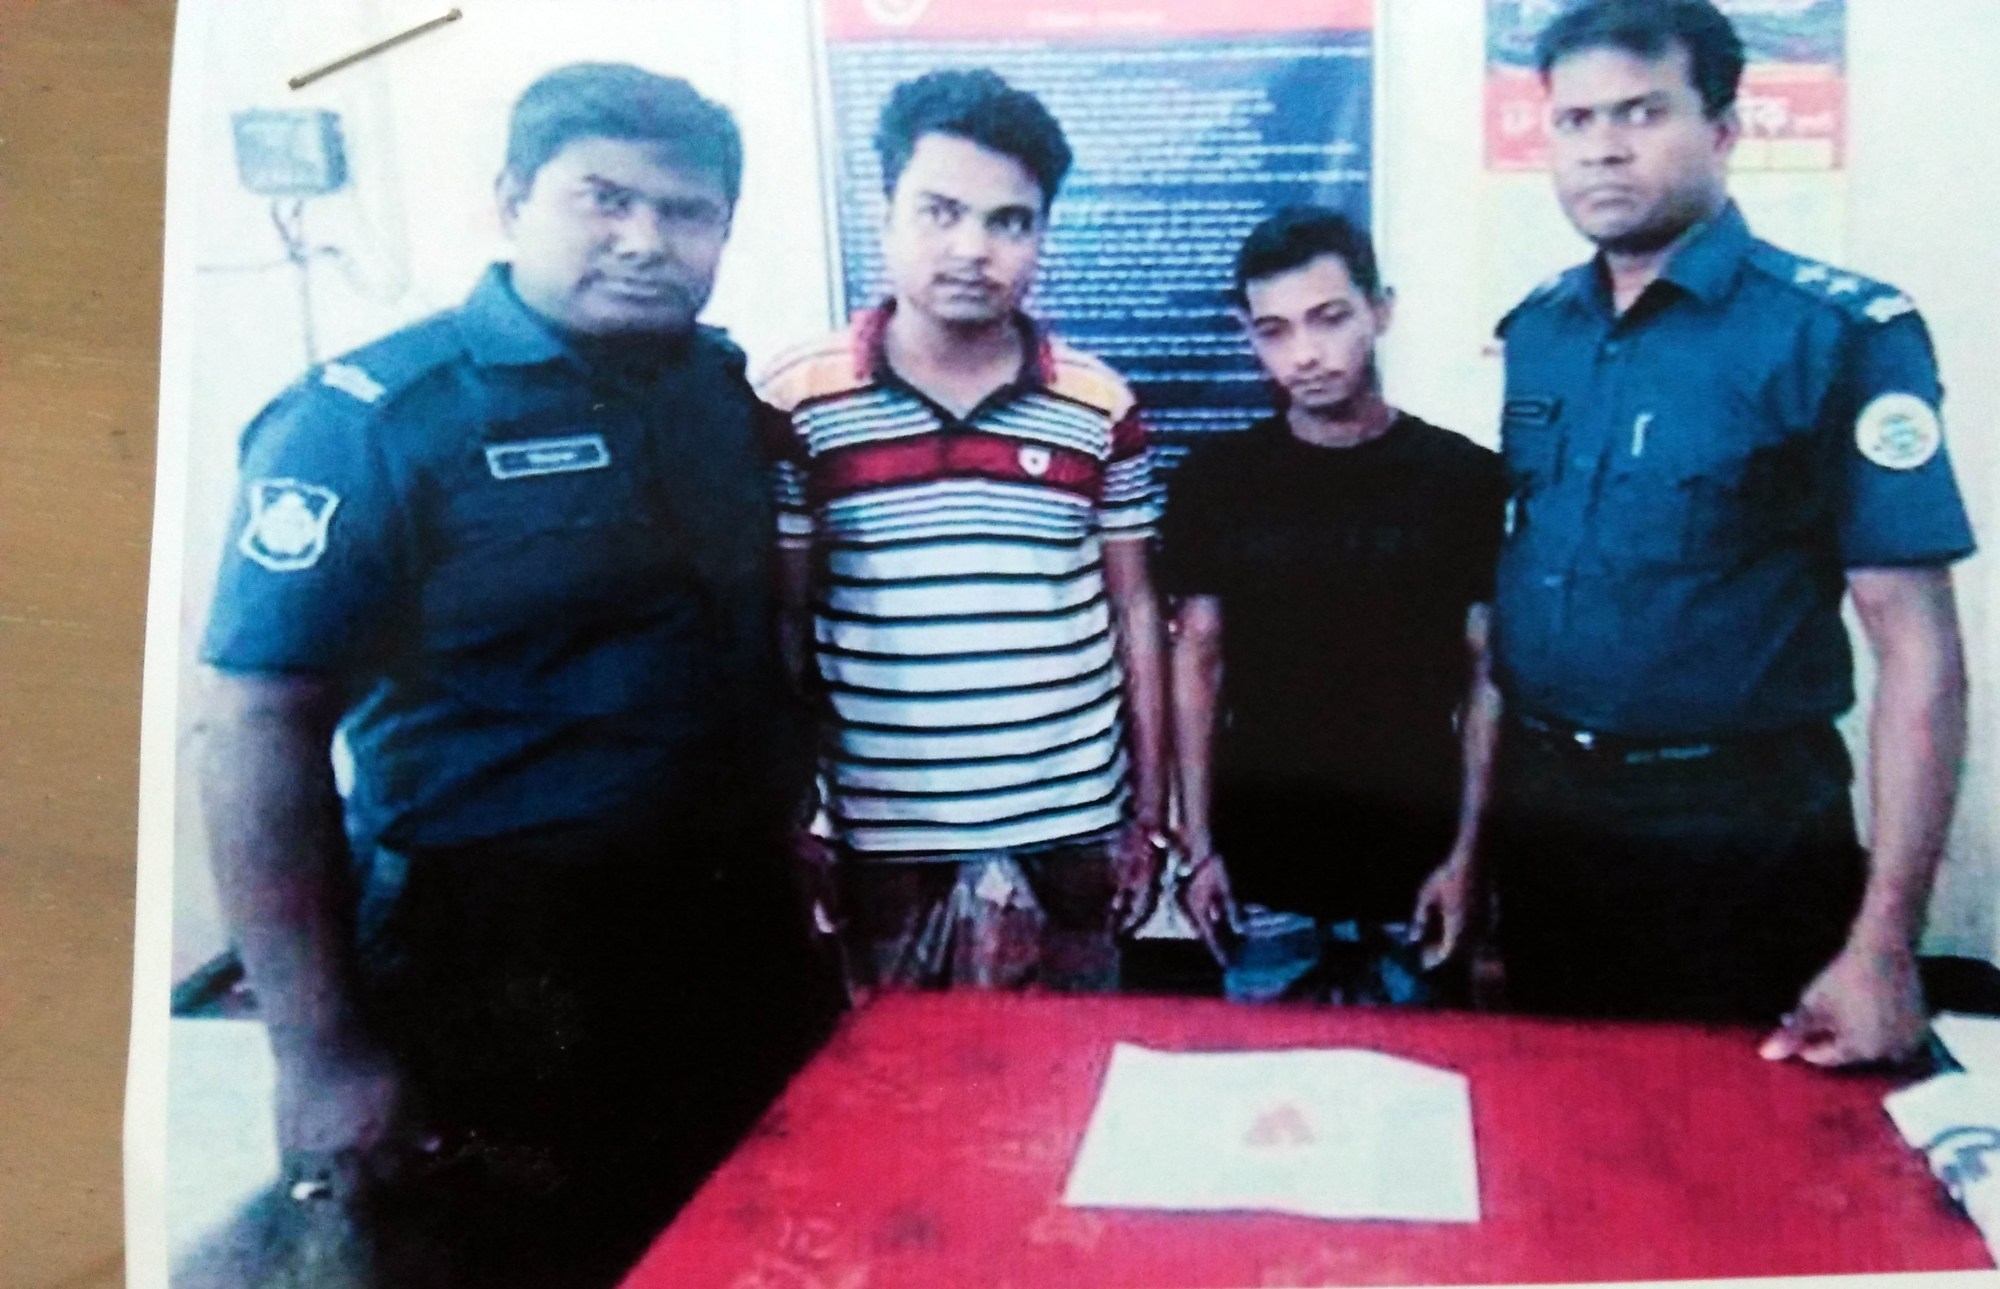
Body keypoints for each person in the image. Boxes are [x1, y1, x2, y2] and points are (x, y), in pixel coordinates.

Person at [190, 64, 837, 1288]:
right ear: (510, 199)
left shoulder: (714, 395)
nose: (644, 239)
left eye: (686, 211)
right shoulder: (373, 422)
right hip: (494, 964)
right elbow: (256, 724)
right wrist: (318, 1053)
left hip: (731, 937)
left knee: (742, 1240)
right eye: (604, 198)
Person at [1490, 0, 1974, 1064]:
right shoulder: (1540, 331)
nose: (1602, 146)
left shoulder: (1834, 334)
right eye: (1574, 120)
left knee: (1745, 1145)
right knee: (1553, 1123)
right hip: (1547, 822)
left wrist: (1885, 942)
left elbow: (1918, 650)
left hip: (1737, 837)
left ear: (1720, 129)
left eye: (1640, 112)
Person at [756, 69, 1169, 992]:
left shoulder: (1098, 403)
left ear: (1043, 232)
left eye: (1009, 221)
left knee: (1075, 1066)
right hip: (884, 834)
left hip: (1073, 825)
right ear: (885, 211)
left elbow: (1137, 609)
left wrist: (1150, 814)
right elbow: (783, 623)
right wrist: (798, 814)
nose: (972, 249)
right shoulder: (798, 400)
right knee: (903, 1068)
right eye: (940, 212)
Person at [1159, 207, 1508, 1004]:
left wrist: (1469, 854)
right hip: (1260, 859)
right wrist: (1198, 846)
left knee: (1421, 1072)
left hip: (1416, 858)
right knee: (1264, 1077)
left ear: (1380, 310)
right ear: (1249, 336)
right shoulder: (1218, 478)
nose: (1306, 354)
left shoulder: (1463, 479)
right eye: (1275, 331)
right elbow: (1198, 661)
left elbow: (1488, 675)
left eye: (1329, 318)